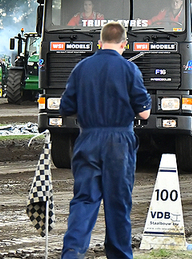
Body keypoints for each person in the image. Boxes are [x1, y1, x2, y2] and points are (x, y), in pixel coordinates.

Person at [59, 21, 151, 259]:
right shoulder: (130, 70)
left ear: (99, 42)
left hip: (88, 138)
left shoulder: (81, 68)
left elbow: (66, 107)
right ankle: (119, 255)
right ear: (125, 44)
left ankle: (71, 252)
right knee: (118, 203)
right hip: (119, 141)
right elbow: (143, 113)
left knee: (84, 200)